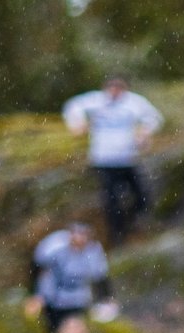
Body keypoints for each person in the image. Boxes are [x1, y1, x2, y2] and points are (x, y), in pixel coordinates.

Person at [62, 77, 162, 244]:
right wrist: (77, 123)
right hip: (104, 159)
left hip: (128, 158)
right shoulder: (95, 101)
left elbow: (155, 117)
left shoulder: (134, 102)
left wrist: (145, 131)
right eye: (112, 88)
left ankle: (134, 223)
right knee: (111, 200)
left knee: (143, 195)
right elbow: (72, 107)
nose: (115, 92)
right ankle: (117, 235)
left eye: (119, 88)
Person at [26, 223, 110, 333]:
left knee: (76, 331)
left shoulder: (93, 251)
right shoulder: (54, 245)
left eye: (83, 236)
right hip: (55, 297)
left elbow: (100, 276)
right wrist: (35, 295)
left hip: (78, 299)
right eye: (76, 235)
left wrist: (105, 298)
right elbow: (38, 268)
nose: (79, 240)